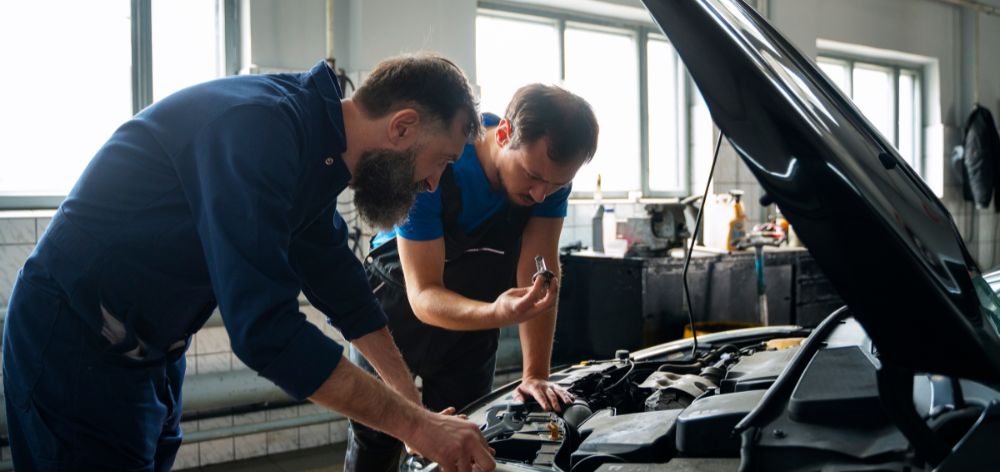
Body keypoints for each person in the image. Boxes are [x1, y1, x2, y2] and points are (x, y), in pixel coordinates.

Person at [2, 53, 497, 472]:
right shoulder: (260, 130)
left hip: (150, 350)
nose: (434, 183)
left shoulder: (317, 151)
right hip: (72, 338)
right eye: (442, 161)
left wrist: (412, 404)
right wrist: (416, 426)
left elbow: (345, 291)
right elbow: (266, 331)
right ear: (402, 126)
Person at [346, 83, 599, 471]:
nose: (540, 195)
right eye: (532, 176)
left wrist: (535, 375)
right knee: (380, 436)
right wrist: (497, 315)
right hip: (396, 308)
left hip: (473, 321)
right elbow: (423, 293)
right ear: (503, 134)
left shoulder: (548, 181)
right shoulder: (439, 159)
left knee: (468, 443)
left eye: (556, 185)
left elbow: (542, 274)